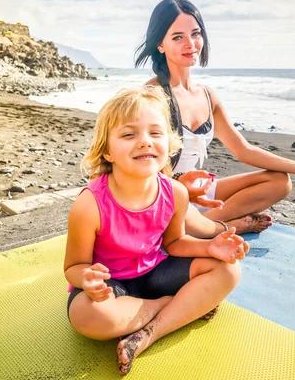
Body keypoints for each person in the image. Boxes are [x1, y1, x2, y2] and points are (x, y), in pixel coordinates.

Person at [63, 86, 249, 376]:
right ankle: (176, 306)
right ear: (107, 152)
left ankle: (149, 334)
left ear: (170, 144)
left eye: (155, 133)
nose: (144, 142)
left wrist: (209, 247)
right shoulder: (89, 205)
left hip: (156, 273)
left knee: (229, 269)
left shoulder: (175, 192)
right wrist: (85, 278)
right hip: (110, 287)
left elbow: (174, 243)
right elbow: (74, 266)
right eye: (129, 134)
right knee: (88, 318)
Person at [135, 0, 295, 239]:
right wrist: (181, 186)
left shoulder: (207, 95)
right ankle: (209, 228)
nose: (190, 43)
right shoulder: (152, 96)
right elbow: (142, 170)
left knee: (281, 181)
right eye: (177, 37)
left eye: (195, 33)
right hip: (165, 197)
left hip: (198, 197)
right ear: (159, 44)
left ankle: (203, 225)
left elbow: (243, 151)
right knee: (179, 197)